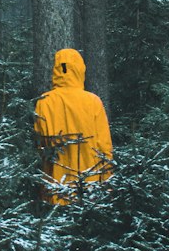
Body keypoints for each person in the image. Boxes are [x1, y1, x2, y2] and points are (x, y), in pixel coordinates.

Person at [34, 47, 113, 203]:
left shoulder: (44, 101)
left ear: (56, 69)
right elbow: (104, 146)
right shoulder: (93, 102)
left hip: (56, 187)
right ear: (80, 69)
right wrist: (108, 183)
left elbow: (40, 146)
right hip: (90, 187)